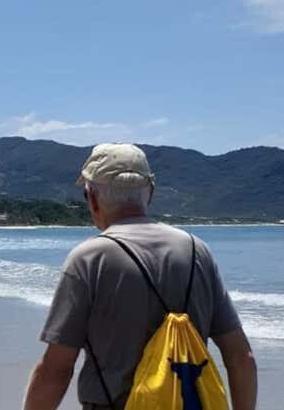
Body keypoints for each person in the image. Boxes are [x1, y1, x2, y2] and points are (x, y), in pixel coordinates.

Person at [23, 143, 257, 410]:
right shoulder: (196, 251)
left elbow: (56, 369)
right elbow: (241, 357)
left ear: (92, 197)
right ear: (151, 192)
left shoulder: (90, 258)